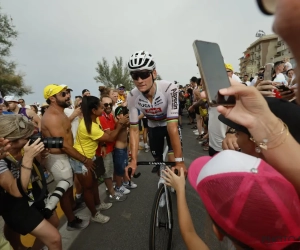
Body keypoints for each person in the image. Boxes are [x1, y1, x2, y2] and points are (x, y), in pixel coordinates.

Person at [0, 115, 62, 250]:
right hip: (14, 201)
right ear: (10, 141)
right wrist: (28, 157)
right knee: (54, 239)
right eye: (26, 138)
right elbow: (15, 191)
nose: (31, 140)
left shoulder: (23, 149)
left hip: (34, 191)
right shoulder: (1, 158)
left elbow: (37, 170)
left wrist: (41, 157)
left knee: (54, 222)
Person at [126, 50, 186, 176]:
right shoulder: (132, 96)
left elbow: (172, 126)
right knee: (158, 163)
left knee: (173, 160)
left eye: (144, 74)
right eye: (135, 76)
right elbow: (134, 130)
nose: (140, 80)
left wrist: (179, 162)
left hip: (169, 126)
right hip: (153, 127)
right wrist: (133, 161)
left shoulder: (169, 88)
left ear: (154, 73)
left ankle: (179, 186)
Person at [70, 96, 129, 222]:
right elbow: (111, 138)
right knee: (88, 188)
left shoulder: (94, 120)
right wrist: (120, 124)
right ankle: (94, 214)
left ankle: (98, 204)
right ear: (93, 110)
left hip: (90, 157)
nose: (104, 109)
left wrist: (102, 145)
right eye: (101, 107)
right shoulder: (89, 126)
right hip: (81, 160)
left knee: (94, 183)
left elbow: (102, 136)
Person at [41, 84, 90, 231]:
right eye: (63, 94)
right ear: (52, 98)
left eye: (68, 93)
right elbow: (63, 145)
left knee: (68, 190)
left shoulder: (59, 112)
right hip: (59, 158)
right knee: (66, 191)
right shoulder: (53, 117)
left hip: (64, 156)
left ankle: (72, 212)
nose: (68, 95)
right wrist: (84, 160)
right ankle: (71, 221)